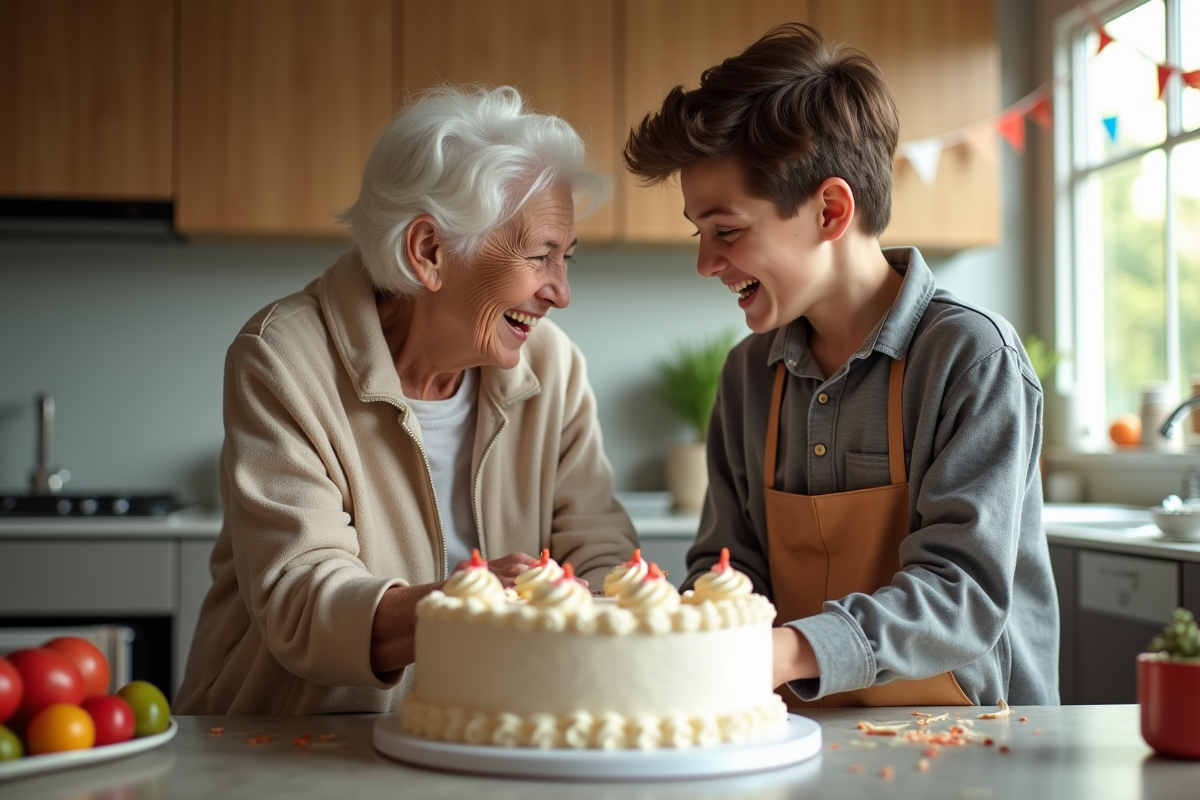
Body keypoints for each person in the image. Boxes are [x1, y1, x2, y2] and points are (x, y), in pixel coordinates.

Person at [624, 24, 1058, 707]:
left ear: (829, 209)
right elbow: (728, 568)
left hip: (976, 745)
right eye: (698, 233)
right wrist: (691, 622)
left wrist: (782, 651)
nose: (706, 262)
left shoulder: (970, 359)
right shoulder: (747, 376)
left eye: (726, 231)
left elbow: (961, 596)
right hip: (796, 738)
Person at [176, 86, 637, 715]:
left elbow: (602, 553)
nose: (560, 292)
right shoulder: (283, 357)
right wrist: (461, 606)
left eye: (567, 258)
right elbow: (304, 600)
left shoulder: (552, 367)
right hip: (292, 745)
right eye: (540, 257)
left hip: (480, 737)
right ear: (428, 252)